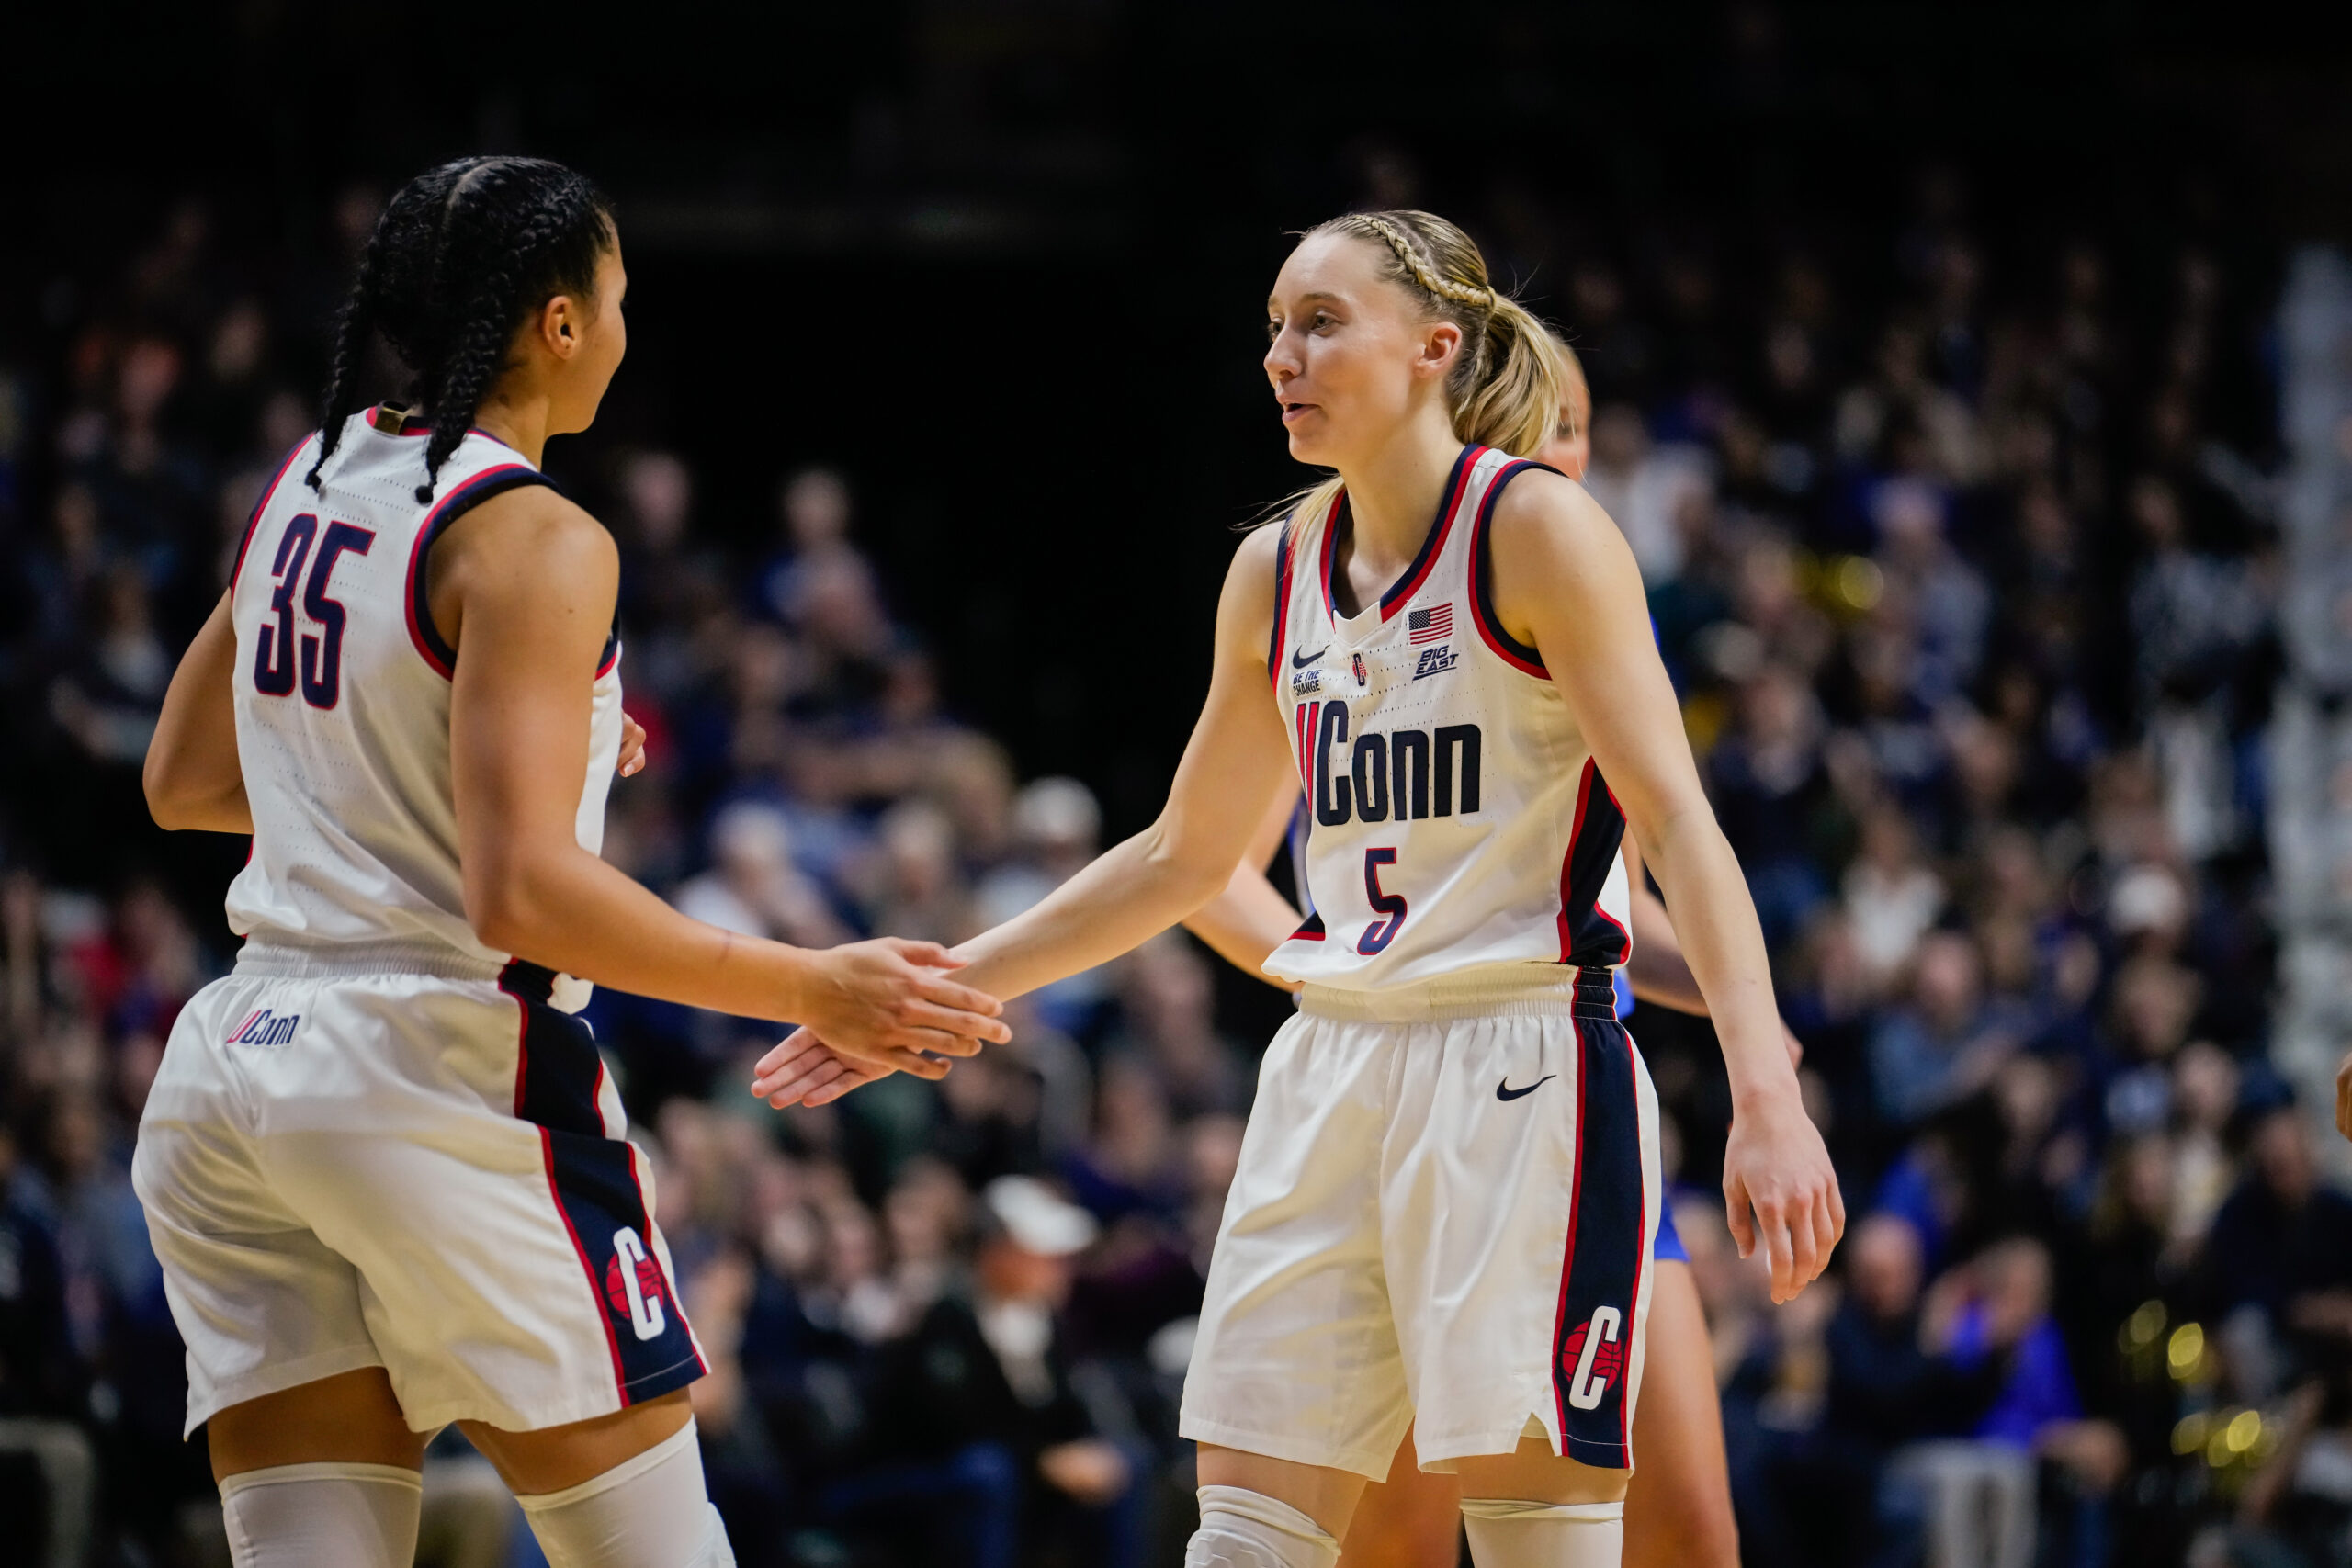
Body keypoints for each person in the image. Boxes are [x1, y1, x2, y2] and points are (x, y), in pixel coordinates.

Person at [753, 209, 1842, 1568]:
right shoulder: (1274, 571)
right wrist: (940, 988)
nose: (1282, 355)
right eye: (1273, 326)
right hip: (1332, 1062)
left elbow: (1677, 825)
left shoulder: (1536, 531)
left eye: (1320, 321)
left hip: (1520, 1069)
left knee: (1554, 1543)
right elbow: (1185, 859)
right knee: (1246, 1542)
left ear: (1435, 347)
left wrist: (1766, 1093)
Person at [132, 156, 1009, 1568]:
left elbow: (187, 782)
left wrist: (512, 777)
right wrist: (811, 982)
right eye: (614, 298)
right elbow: (522, 894)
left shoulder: (314, 471)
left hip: (237, 1065)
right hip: (431, 1067)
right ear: (556, 324)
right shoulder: (535, 534)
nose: (620, 329)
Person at [1172, 341, 1754, 1568]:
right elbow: (1201, 860)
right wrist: (1335, 966)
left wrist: (1744, 1009)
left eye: (1586, 428)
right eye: (1549, 425)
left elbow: (1603, 878)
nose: (1571, 456)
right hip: (1405, 1078)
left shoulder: (1579, 580)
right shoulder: (1384, 581)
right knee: (1398, 1537)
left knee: (1689, 1528)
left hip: (1557, 1096)